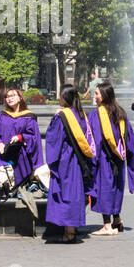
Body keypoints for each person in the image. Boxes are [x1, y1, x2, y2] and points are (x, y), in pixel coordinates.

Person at [45, 87, 97, 244]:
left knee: (65, 192)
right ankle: (73, 228)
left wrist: (52, 163)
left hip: (65, 161)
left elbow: (54, 141)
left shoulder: (62, 116)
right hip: (78, 161)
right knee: (75, 193)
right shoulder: (81, 115)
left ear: (64, 98)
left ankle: (69, 233)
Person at [88, 83, 134, 236]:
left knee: (104, 190)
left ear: (104, 95)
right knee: (115, 189)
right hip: (119, 159)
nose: (94, 96)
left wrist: (90, 161)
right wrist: (129, 158)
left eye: (97, 94)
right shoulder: (120, 113)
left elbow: (94, 140)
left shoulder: (96, 115)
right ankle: (117, 220)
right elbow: (129, 141)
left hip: (104, 159)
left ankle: (107, 226)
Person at [0, 86, 44, 212]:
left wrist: (20, 137)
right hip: (5, 154)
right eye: (7, 96)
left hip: (21, 155)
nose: (10, 98)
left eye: (13, 95)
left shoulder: (28, 117)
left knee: (20, 181)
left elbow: (34, 137)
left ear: (20, 98)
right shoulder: (2, 116)